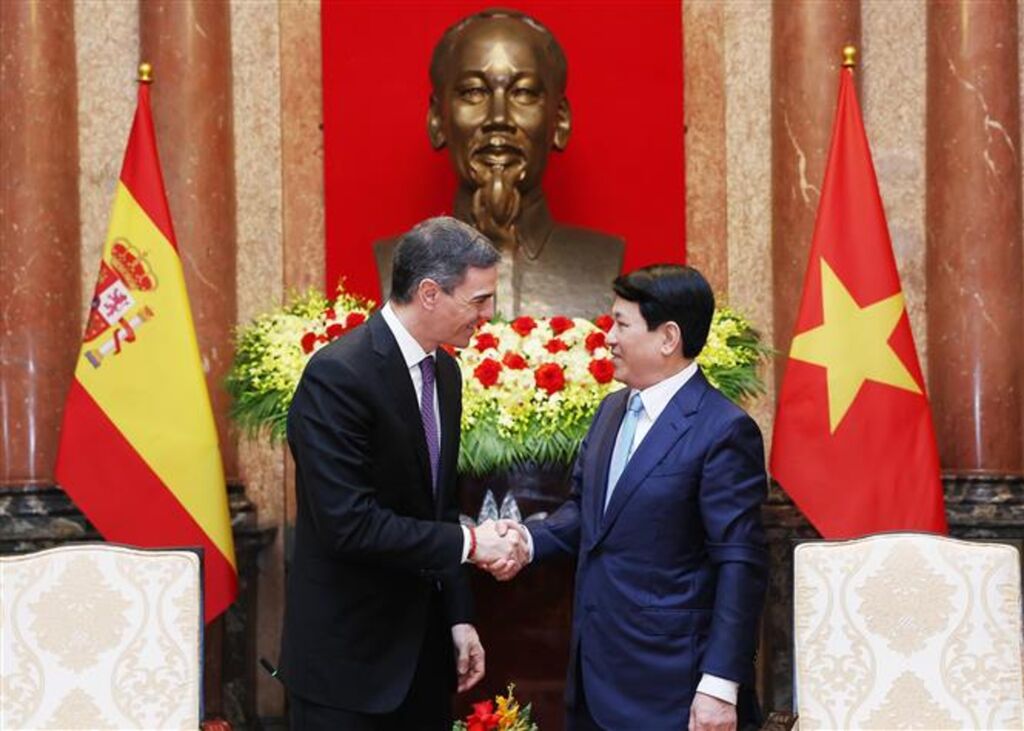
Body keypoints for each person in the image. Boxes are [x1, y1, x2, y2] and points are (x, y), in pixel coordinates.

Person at [491, 265, 768, 730]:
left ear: (668, 338)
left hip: (674, 688)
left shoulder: (723, 430)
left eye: (621, 324)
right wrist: (526, 540)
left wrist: (720, 684)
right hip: (594, 678)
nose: (609, 338)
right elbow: (587, 514)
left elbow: (741, 563)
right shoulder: (612, 410)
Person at [280, 216, 529, 730]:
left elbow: (438, 505)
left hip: (424, 661)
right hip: (349, 668)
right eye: (479, 300)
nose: (489, 314)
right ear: (430, 293)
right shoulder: (338, 376)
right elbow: (348, 524)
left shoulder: (446, 371)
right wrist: (473, 544)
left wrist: (459, 616)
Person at [375, 8, 624, 318]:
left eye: (523, 92)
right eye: (473, 92)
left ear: (560, 121)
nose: (498, 118)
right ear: (437, 119)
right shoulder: (398, 263)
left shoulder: (602, 259)